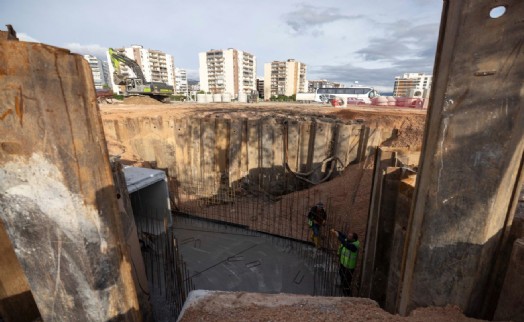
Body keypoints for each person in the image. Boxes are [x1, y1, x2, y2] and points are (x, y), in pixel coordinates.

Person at [331, 228, 360, 296]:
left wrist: (338, 236)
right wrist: (336, 231)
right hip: (343, 263)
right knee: (341, 273)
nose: (347, 236)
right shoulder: (348, 240)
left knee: (347, 282)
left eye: (350, 236)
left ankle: (348, 295)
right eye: (348, 235)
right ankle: (342, 285)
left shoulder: (354, 246)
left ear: (353, 239)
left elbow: (345, 244)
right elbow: (342, 235)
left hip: (349, 267)